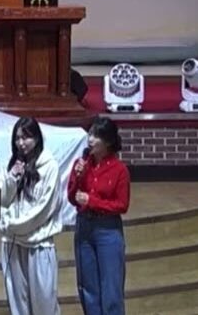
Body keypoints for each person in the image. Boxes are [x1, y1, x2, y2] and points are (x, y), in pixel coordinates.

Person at [0, 117, 64, 315]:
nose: (21, 143)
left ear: (36, 138)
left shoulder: (50, 166)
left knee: (44, 303)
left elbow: (44, 209)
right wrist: (12, 178)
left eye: (26, 138)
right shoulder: (13, 164)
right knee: (19, 304)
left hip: (38, 244)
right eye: (17, 138)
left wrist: (13, 225)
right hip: (13, 243)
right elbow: (1, 200)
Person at [68, 117, 131, 315]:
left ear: (108, 141)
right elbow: (72, 197)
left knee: (111, 288)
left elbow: (122, 205)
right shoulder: (82, 164)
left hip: (108, 230)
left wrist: (92, 201)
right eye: (90, 134)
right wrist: (77, 177)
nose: (90, 140)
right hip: (84, 227)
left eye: (96, 136)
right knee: (88, 287)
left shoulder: (119, 170)